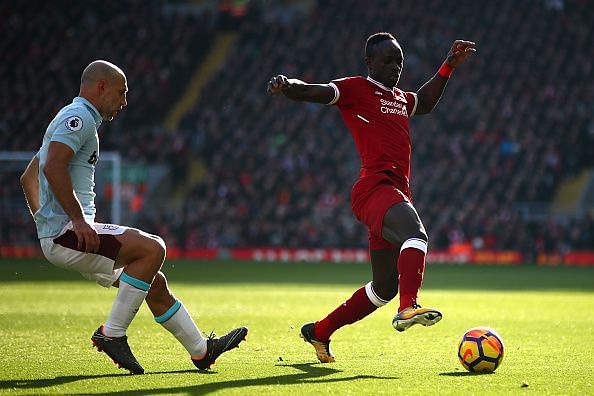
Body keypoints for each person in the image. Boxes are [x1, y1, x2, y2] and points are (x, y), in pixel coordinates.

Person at [20, 60, 247, 374]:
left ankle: (201, 351)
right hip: (68, 232)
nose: (124, 102)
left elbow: (28, 177)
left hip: (62, 232)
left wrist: (43, 223)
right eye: (121, 92)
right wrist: (75, 221)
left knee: (152, 281)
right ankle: (112, 333)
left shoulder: (71, 118)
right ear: (101, 87)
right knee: (153, 248)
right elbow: (52, 167)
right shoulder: (79, 118)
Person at [267, 33, 475, 363]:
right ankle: (409, 306)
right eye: (388, 60)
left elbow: (427, 101)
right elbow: (315, 91)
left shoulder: (401, 99)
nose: (395, 67)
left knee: (382, 288)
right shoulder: (355, 89)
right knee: (416, 236)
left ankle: (319, 332)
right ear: (370, 63)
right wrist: (287, 85)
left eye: (400, 62)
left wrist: (448, 66)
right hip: (374, 189)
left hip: (393, 192)